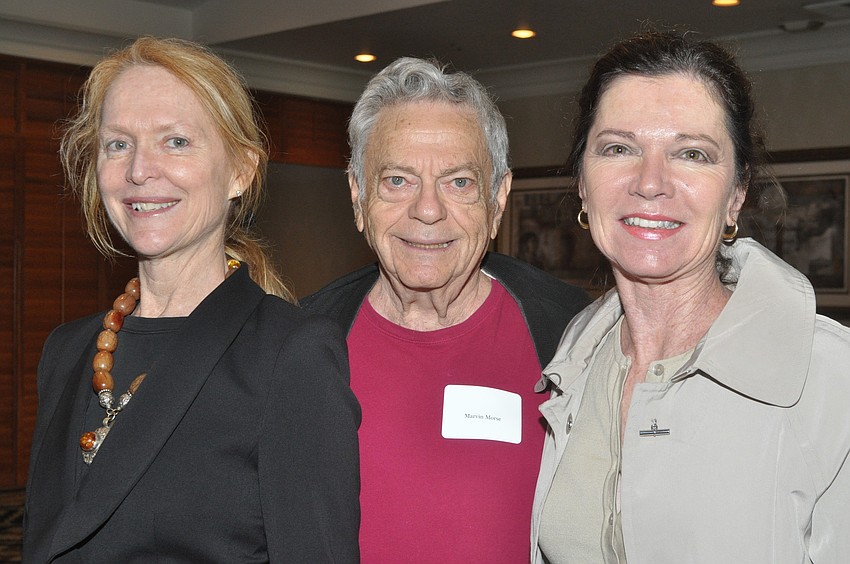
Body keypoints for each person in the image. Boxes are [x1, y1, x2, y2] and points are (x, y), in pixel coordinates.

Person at [23, 37, 360, 563]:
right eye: (118, 144)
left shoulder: (289, 355)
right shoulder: (66, 352)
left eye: (175, 141)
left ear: (240, 170)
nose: (139, 170)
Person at [531, 31, 850, 563]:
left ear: (736, 194)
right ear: (583, 183)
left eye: (692, 154)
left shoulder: (831, 381)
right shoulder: (573, 364)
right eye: (618, 148)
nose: (651, 181)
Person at [301, 57, 589, 562]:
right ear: (357, 195)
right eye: (397, 180)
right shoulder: (298, 346)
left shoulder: (574, 337)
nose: (428, 210)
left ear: (498, 199)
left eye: (459, 182)